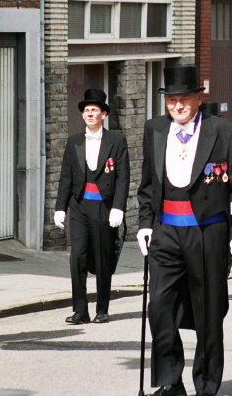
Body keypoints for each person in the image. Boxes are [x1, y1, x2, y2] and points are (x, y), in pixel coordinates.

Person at [136, 65, 232, 396]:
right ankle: (171, 382)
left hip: (208, 232)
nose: (177, 106)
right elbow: (147, 184)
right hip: (165, 232)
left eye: (184, 99)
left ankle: (206, 385)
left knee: (208, 313)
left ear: (198, 98)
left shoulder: (226, 132)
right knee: (158, 307)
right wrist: (145, 223)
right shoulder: (154, 129)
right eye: (171, 100)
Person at [54, 89, 129, 325]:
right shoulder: (74, 141)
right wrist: (60, 207)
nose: (89, 114)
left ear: (103, 114)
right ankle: (80, 310)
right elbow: (66, 176)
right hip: (79, 206)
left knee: (102, 257)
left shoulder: (117, 141)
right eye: (86, 110)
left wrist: (118, 207)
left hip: (104, 207)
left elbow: (123, 177)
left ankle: (103, 308)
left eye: (94, 110)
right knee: (78, 257)